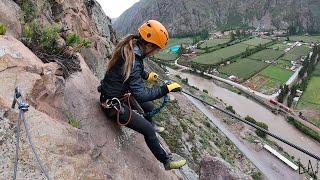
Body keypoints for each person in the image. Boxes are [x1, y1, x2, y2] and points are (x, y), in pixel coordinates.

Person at [99, 20, 187, 170]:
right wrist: (166, 89)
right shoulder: (134, 58)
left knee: (149, 107)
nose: (155, 53)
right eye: (156, 50)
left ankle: (151, 124)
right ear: (149, 45)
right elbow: (141, 95)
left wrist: (147, 76)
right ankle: (166, 161)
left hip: (116, 96)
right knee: (148, 130)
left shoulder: (131, 48)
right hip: (113, 106)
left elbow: (130, 73)